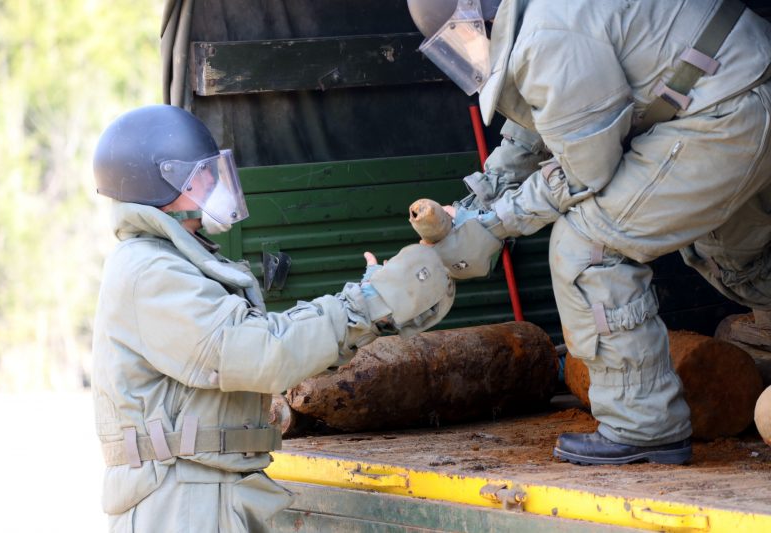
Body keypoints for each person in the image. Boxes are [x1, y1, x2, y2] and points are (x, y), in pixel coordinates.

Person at [408, 0, 771, 465]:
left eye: (462, 38)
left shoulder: (545, 35)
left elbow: (585, 172)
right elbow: (535, 128)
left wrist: (493, 226)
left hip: (725, 111)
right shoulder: (544, 17)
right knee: (743, 261)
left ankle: (644, 428)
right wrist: (475, 204)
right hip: (738, 86)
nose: (466, 51)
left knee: (590, 245)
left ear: (482, 19)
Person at [91, 104, 455, 531]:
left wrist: (370, 303)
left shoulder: (170, 261)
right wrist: (365, 303)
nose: (213, 182)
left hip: (201, 490)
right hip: (181, 502)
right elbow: (262, 352)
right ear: (157, 184)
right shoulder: (150, 272)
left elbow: (253, 345)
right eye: (199, 175)